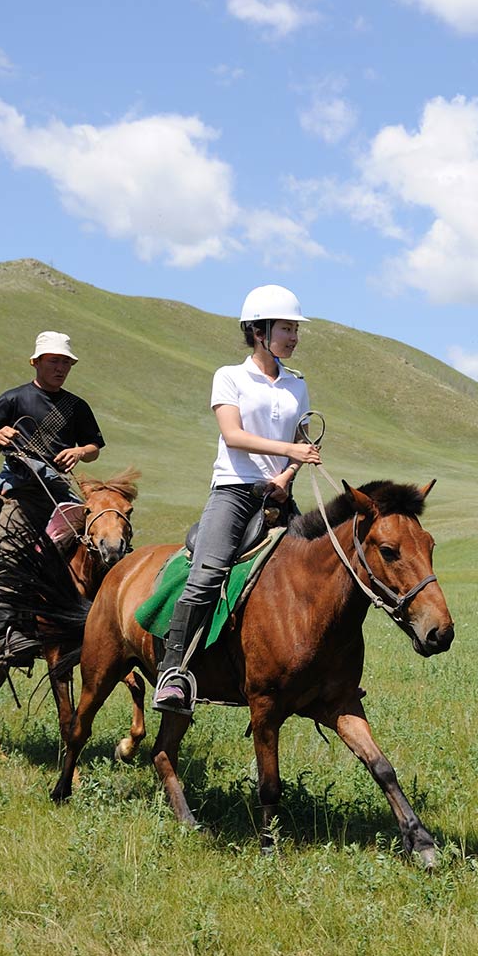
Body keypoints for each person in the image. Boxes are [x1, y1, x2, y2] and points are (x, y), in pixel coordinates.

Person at [153, 285, 322, 714]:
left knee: (321, 573)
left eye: (295, 329)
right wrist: (289, 453)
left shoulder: (297, 386)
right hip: (234, 491)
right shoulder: (229, 376)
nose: (294, 336)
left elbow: (301, 439)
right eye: (287, 328)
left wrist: (286, 475)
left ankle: (324, 675)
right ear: (260, 331)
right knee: (206, 576)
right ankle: (173, 674)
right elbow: (233, 435)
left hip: (279, 495)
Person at [0, 330, 106, 663]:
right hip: (21, 491)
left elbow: (94, 448)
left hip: (59, 491)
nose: (60, 368)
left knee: (95, 547)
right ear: (36, 362)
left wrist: (78, 451)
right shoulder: (15, 399)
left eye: (65, 363)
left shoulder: (76, 406)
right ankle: (1, 638)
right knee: (13, 556)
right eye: (53, 361)